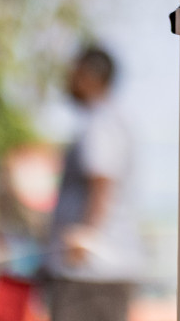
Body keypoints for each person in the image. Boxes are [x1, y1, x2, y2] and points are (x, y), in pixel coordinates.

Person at [45, 44, 143, 321]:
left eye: (73, 71)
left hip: (91, 272)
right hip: (103, 269)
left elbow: (102, 182)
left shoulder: (100, 123)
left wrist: (86, 235)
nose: (68, 79)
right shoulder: (112, 120)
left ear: (89, 75)